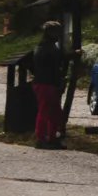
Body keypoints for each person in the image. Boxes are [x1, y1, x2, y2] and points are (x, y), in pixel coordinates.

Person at [28, 19, 67, 149]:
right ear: (49, 32)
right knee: (44, 111)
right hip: (44, 83)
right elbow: (56, 59)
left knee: (55, 112)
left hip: (51, 83)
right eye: (56, 31)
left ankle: (52, 138)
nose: (58, 34)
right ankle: (41, 139)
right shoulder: (44, 47)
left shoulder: (50, 46)